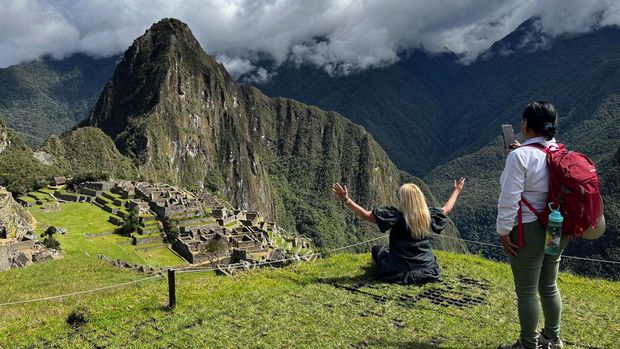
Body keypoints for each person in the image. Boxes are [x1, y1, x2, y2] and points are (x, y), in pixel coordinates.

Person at [497, 101, 567, 349]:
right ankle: (552, 338)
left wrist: (504, 232)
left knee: (527, 291)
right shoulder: (559, 152)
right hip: (556, 228)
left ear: (525, 124)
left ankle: (528, 344)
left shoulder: (520, 156)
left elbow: (509, 199)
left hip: (529, 231)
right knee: (548, 285)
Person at [332, 178, 465, 285]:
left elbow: (366, 215)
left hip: (400, 270)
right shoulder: (428, 216)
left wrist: (346, 200)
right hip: (426, 269)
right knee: (384, 251)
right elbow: (447, 208)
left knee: (377, 250)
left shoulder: (395, 217)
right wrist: (457, 191)